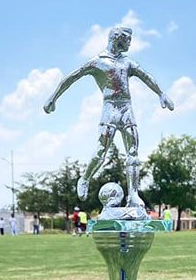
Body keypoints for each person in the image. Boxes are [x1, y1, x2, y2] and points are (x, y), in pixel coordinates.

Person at [44, 26, 174, 203]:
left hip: (127, 108)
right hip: (110, 108)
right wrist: (53, 97)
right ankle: (85, 179)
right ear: (117, 38)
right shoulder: (98, 61)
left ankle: (133, 195)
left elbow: (146, 76)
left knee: (133, 151)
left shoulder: (127, 62)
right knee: (101, 150)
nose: (129, 43)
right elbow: (71, 77)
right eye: (127, 39)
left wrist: (161, 93)